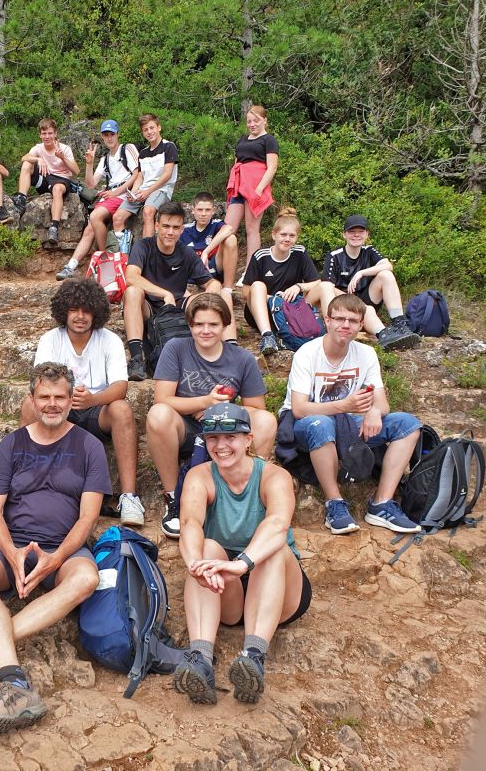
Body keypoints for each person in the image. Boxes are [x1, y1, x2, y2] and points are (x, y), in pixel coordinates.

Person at [0, 363, 108, 738]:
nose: (52, 404)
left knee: (86, 578)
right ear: (32, 399)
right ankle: (15, 682)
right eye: (44, 397)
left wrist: (58, 558)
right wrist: (11, 551)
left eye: (60, 397)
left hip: (61, 547)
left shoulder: (89, 446)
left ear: (70, 400)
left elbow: (87, 518)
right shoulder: (13, 444)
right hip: (12, 542)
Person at [172, 402, 311, 705]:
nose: (221, 446)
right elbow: (190, 522)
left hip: (278, 585)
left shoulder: (274, 476)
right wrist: (195, 564)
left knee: (273, 550)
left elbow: (277, 523)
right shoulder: (200, 476)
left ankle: (254, 656)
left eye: (230, 437)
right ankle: (201, 661)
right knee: (205, 550)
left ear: (248, 439)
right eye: (212, 439)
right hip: (228, 589)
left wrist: (243, 563)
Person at [280, 293, 423, 536]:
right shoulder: (308, 353)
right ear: (327, 320)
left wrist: (375, 411)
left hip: (351, 421)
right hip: (308, 423)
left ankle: (381, 504)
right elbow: (300, 408)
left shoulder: (366, 354)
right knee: (321, 424)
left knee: (408, 424)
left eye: (353, 321)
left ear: (361, 325)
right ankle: (334, 503)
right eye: (340, 319)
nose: (346, 325)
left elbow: (382, 403)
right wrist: (344, 405)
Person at [147, 294, 276, 539]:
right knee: (158, 414)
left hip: (225, 430)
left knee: (266, 420)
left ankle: (250, 495)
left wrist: (219, 412)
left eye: (213, 324)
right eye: (199, 324)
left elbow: (256, 408)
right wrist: (205, 402)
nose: (206, 330)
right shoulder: (176, 348)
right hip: (184, 427)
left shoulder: (242, 359)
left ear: (225, 326)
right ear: (190, 325)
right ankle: (174, 497)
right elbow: (162, 399)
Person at [22, 279, 145, 525]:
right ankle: (31, 484)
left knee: (121, 409)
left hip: (96, 409)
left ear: (96, 312)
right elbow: (40, 383)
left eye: (87, 310)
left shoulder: (109, 340)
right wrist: (62, 400)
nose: (80, 316)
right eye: (74, 310)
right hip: (60, 407)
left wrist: (93, 399)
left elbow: (120, 386)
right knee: (28, 404)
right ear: (63, 311)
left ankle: (129, 497)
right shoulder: (50, 339)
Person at [122, 201, 222, 381]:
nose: (170, 232)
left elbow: (211, 282)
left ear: (182, 229)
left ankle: (222, 352)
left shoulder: (186, 253)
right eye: (166, 226)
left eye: (176, 227)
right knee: (132, 292)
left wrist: (212, 293)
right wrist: (164, 293)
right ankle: (137, 358)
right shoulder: (143, 246)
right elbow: (131, 277)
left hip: (176, 308)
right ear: (156, 226)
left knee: (204, 299)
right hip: (149, 306)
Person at [307, 214, 421, 351]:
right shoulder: (334, 256)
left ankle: (400, 324)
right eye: (352, 232)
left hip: (367, 297)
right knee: (365, 309)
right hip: (342, 302)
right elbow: (327, 286)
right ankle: (384, 335)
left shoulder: (369, 251)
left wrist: (361, 273)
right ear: (344, 234)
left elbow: (388, 266)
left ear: (366, 234)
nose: (356, 235)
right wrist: (354, 302)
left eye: (360, 232)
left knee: (386, 275)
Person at [55, 120, 140, 280]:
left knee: (95, 217)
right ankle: (72, 265)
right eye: (106, 135)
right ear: (102, 136)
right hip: (111, 195)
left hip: (123, 194)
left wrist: (116, 192)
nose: (109, 138)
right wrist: (89, 163)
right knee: (89, 229)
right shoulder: (105, 159)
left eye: (112, 134)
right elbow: (90, 184)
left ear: (117, 134)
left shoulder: (127, 149)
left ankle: (105, 260)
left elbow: (136, 174)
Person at [242, 208, 321, 356]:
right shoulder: (261, 256)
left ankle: (330, 329)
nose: (287, 239)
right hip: (263, 310)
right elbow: (246, 292)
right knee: (258, 285)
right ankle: (268, 336)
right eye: (283, 234)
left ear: (297, 237)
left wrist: (299, 286)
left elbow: (317, 282)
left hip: (289, 311)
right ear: (274, 234)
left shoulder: (300, 253)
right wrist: (272, 298)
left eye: (292, 235)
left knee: (325, 287)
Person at [112, 113, 179, 248]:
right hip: (143, 191)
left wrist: (147, 192)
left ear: (158, 127)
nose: (149, 132)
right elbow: (140, 177)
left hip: (161, 189)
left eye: (152, 128)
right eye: (145, 130)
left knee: (148, 211)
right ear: (143, 133)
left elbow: (167, 175)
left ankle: (146, 253)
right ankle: (121, 254)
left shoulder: (169, 147)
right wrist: (134, 192)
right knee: (117, 217)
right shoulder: (143, 153)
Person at [223, 105, 278, 265]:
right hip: (239, 186)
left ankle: (250, 270)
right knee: (227, 229)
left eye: (256, 120)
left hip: (255, 186)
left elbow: (272, 167)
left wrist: (259, 189)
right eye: (249, 121)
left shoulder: (269, 140)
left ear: (264, 121)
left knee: (251, 229)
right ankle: (222, 267)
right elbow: (237, 162)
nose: (252, 124)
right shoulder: (242, 139)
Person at [10, 118, 79, 243]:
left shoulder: (65, 148)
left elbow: (76, 170)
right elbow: (24, 158)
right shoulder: (38, 148)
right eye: (44, 134)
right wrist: (38, 160)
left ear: (55, 134)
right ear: (40, 135)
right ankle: (21, 199)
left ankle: (54, 227)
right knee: (27, 164)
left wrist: (63, 157)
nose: (47, 137)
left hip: (61, 179)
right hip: (45, 178)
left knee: (57, 189)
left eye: (50, 133)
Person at [179, 192, 239, 291]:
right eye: (199, 210)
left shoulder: (216, 224)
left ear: (213, 211)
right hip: (193, 273)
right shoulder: (185, 230)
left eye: (207, 210)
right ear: (193, 210)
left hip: (213, 267)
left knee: (231, 239)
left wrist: (206, 252)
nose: (203, 214)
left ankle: (228, 288)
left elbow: (229, 229)